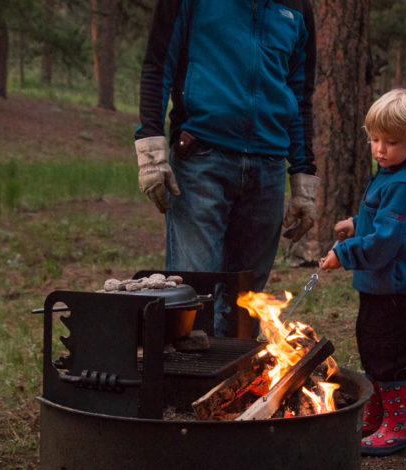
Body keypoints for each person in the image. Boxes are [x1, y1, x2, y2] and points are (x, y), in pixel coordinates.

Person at [134, 0, 320, 337]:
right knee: (192, 292)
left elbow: (300, 96)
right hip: (201, 158)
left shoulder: (297, 8)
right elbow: (158, 66)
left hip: (269, 167)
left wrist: (304, 178)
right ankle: (189, 386)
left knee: (246, 301)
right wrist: (150, 148)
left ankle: (235, 386)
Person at [320, 88, 406, 456]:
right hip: (379, 288)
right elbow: (380, 219)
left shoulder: (404, 184)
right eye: (374, 139)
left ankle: (400, 425)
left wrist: (344, 252)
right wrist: (356, 224)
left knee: (391, 354)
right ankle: (378, 413)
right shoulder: (390, 174)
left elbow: (388, 242)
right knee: (371, 348)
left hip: (397, 292)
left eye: (391, 141)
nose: (380, 149)